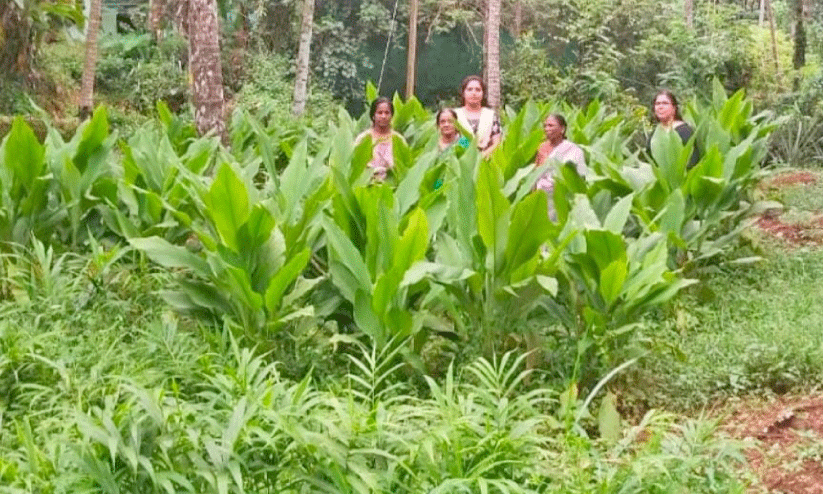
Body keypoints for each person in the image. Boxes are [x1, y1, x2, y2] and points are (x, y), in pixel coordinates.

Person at [533, 114, 587, 220]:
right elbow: (535, 174)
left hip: (560, 199)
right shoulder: (541, 147)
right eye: (545, 126)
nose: (546, 129)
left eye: (551, 125)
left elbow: (581, 177)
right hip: (541, 198)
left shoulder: (574, 150)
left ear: (562, 129)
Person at [355, 97, 405, 182]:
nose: (383, 116)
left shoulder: (398, 140)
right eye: (380, 113)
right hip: (366, 186)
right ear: (373, 115)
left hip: (393, 186)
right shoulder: (363, 139)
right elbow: (355, 165)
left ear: (391, 115)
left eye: (387, 113)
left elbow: (404, 166)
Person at [649, 89, 700, 168]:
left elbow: (693, 159)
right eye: (657, 104)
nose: (660, 107)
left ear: (674, 108)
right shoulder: (654, 133)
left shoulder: (684, 131)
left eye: (665, 103)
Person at [453, 75, 502, 157]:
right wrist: (470, 153)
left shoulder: (490, 115)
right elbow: (450, 139)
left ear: (483, 94)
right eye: (469, 89)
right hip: (460, 160)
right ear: (463, 93)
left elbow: (497, 142)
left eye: (478, 90)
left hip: (487, 161)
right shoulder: (455, 115)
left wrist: (482, 156)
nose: (474, 93)